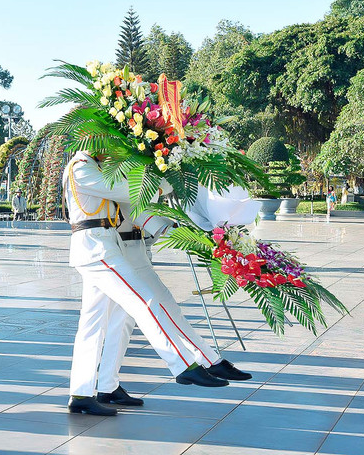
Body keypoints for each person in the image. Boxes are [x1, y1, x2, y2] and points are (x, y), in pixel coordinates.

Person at [63, 152, 251, 416]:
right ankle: (184, 365)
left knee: (95, 324)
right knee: (145, 302)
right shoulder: (82, 167)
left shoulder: (99, 166)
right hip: (97, 249)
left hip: (108, 247)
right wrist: (164, 178)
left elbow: (137, 210)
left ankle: (86, 392)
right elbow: (128, 194)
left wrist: (186, 235)